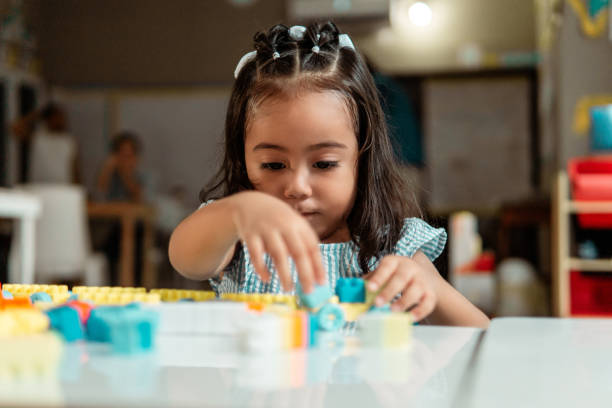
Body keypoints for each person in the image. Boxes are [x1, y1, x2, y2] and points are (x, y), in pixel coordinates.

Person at [169, 22, 489, 327]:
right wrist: (238, 211)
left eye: (323, 164)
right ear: (243, 158)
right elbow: (185, 258)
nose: (297, 187)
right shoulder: (238, 237)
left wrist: (427, 288)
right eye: (273, 165)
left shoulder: (392, 248)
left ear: (362, 157)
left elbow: (486, 339)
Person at [11, 103, 80, 184]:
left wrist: (79, 189)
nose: (61, 120)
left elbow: (75, 169)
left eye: (62, 117)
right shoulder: (37, 137)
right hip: (39, 187)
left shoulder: (69, 141)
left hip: (63, 188)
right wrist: (38, 114)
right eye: (57, 117)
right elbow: (14, 128)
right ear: (48, 119)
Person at [96, 131, 145, 202]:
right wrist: (106, 169)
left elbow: (139, 198)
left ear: (136, 158)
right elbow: (98, 196)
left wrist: (125, 174)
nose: (125, 160)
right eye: (121, 155)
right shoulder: (110, 174)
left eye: (129, 156)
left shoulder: (145, 176)